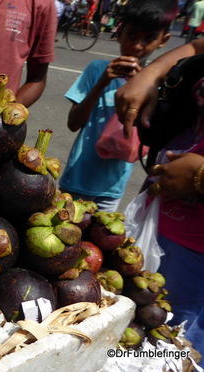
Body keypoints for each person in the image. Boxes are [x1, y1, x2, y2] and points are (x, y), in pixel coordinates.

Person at [115, 38, 204, 355]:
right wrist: (152, 73)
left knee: (178, 350)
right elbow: (197, 47)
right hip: (162, 232)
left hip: (197, 263)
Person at [58, 0, 176, 212]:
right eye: (131, 35)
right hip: (77, 179)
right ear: (120, 32)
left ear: (163, 40)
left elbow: (152, 136)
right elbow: (73, 123)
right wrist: (101, 83)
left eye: (149, 38)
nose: (138, 45)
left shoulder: (154, 85)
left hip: (112, 188)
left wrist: (141, 83)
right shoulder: (96, 70)